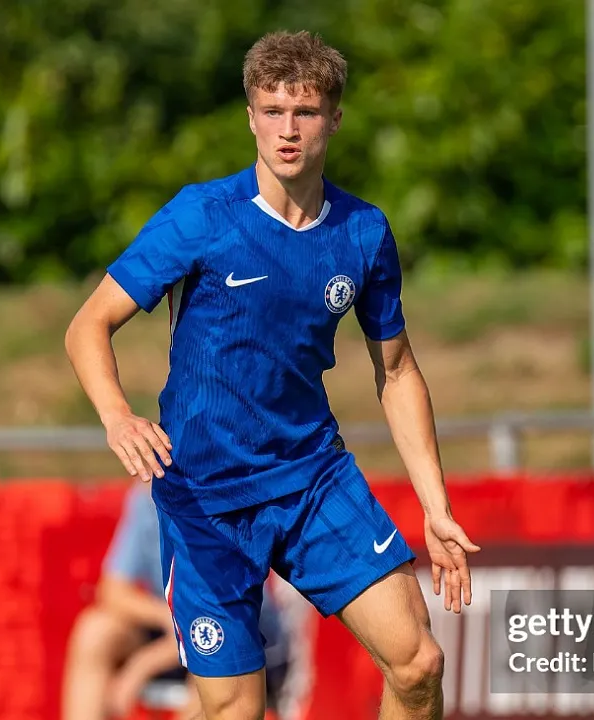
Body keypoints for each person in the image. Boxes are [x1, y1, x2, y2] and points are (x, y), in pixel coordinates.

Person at [64, 29, 479, 720]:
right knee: (236, 711)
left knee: (418, 663)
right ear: (250, 116)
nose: (288, 130)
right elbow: (88, 325)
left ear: (335, 119)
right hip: (205, 496)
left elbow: (398, 370)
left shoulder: (364, 233)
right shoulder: (202, 217)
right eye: (273, 110)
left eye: (306, 112)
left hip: (312, 478)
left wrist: (435, 507)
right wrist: (117, 414)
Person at [63, 484, 294, 720]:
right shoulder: (147, 496)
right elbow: (113, 590)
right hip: (177, 628)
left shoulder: (223, 493)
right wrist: (164, 618)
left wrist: (142, 665)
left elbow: (217, 619)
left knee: (210, 669)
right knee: (94, 631)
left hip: (230, 632)